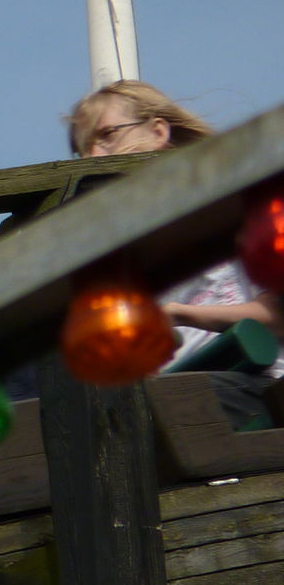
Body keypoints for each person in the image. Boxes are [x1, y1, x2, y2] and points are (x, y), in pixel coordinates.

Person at [67, 80, 283, 425]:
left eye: (107, 134)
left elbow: (276, 318)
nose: (93, 156)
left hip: (255, 385)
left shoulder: (230, 209)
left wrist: (178, 314)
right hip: (170, 397)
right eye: (83, 149)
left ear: (158, 131)